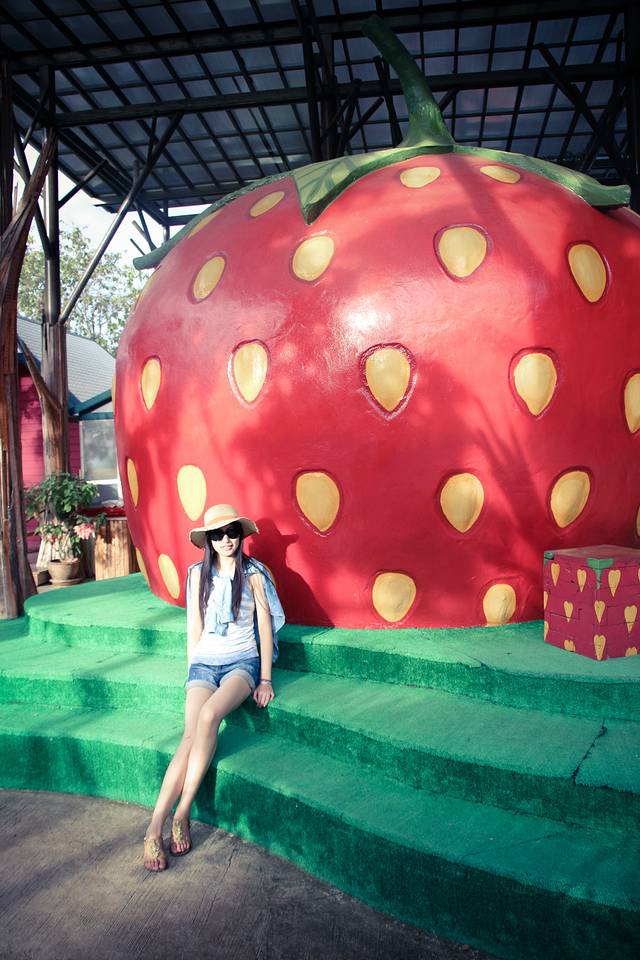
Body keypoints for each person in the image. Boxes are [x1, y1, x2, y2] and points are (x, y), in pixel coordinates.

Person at [143, 503, 285, 871]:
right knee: (189, 736)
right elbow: (194, 627)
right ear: (208, 540)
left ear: (240, 535)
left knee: (208, 717)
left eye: (231, 532)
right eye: (217, 534)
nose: (225, 540)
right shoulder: (197, 575)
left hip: (242, 663)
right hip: (205, 662)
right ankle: (154, 827)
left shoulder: (253, 574)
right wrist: (193, 673)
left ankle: (182, 812)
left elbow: (265, 628)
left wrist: (265, 678)